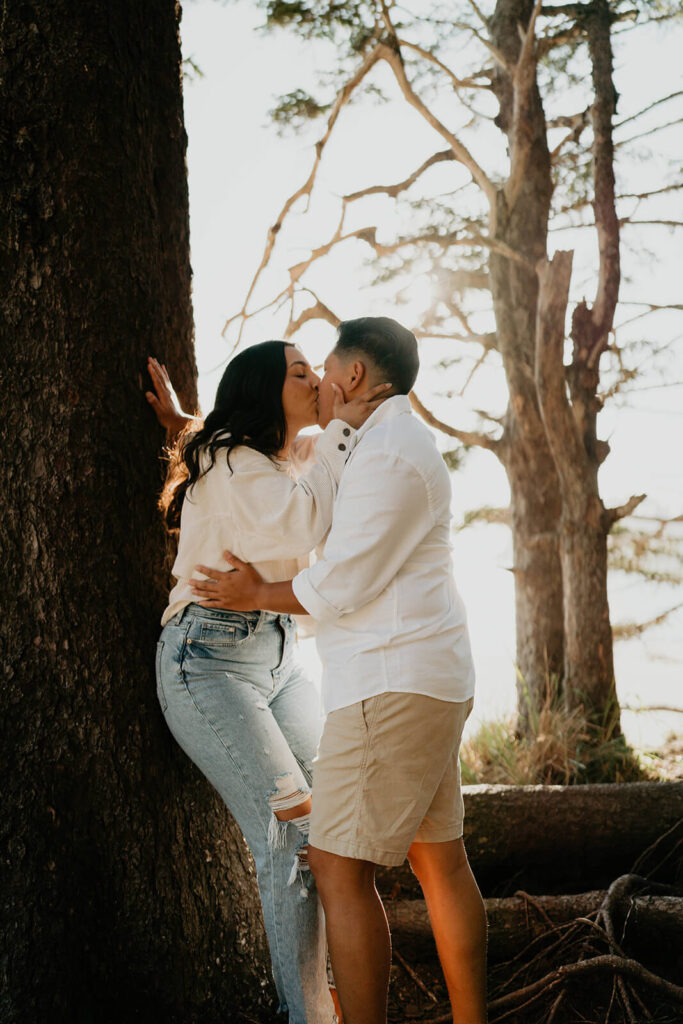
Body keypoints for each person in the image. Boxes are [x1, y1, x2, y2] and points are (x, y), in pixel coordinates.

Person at [190, 317, 488, 1024]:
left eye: (322, 369)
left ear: (352, 375)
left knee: (334, 866)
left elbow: (343, 583)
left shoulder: (390, 454)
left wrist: (255, 594)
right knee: (438, 860)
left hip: (391, 684)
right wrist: (193, 426)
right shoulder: (374, 442)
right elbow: (275, 462)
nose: (318, 382)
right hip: (416, 674)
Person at [147, 341, 390, 1024]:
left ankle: (333, 1006)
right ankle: (310, 1018)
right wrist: (340, 424)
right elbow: (300, 517)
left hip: (281, 662)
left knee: (331, 835)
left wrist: (179, 420)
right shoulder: (238, 461)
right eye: (300, 373)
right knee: (287, 840)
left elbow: (231, 446)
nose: (316, 379)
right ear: (265, 390)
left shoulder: (277, 456)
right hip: (209, 663)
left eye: (317, 370)